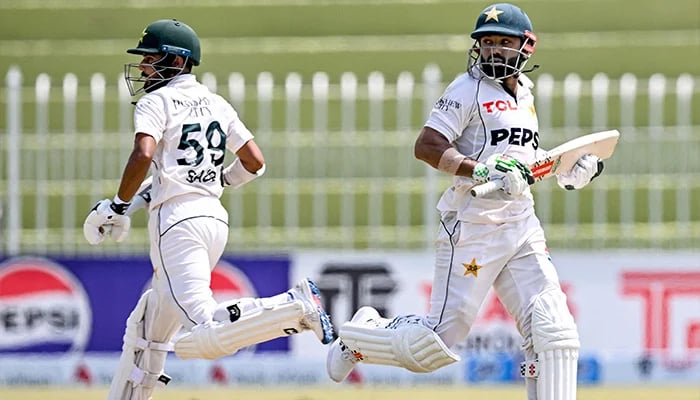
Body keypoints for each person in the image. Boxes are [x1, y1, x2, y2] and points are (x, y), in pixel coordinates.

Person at [326, 3, 603, 400]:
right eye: (486, 42)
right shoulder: (467, 87)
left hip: (521, 225)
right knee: (434, 344)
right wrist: (481, 171)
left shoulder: (524, 94)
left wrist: (568, 171)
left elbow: (522, 163)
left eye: (503, 42)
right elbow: (427, 145)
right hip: (471, 225)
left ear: (528, 46)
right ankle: (362, 336)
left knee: (553, 329)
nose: (492, 51)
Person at [82, 19, 334, 400]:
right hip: (212, 218)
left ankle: (290, 305)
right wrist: (222, 181)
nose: (144, 67)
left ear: (177, 61)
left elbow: (144, 154)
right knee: (147, 332)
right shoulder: (216, 102)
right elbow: (254, 162)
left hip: (177, 225)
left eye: (151, 58)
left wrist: (117, 205)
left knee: (204, 329)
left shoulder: (156, 101)